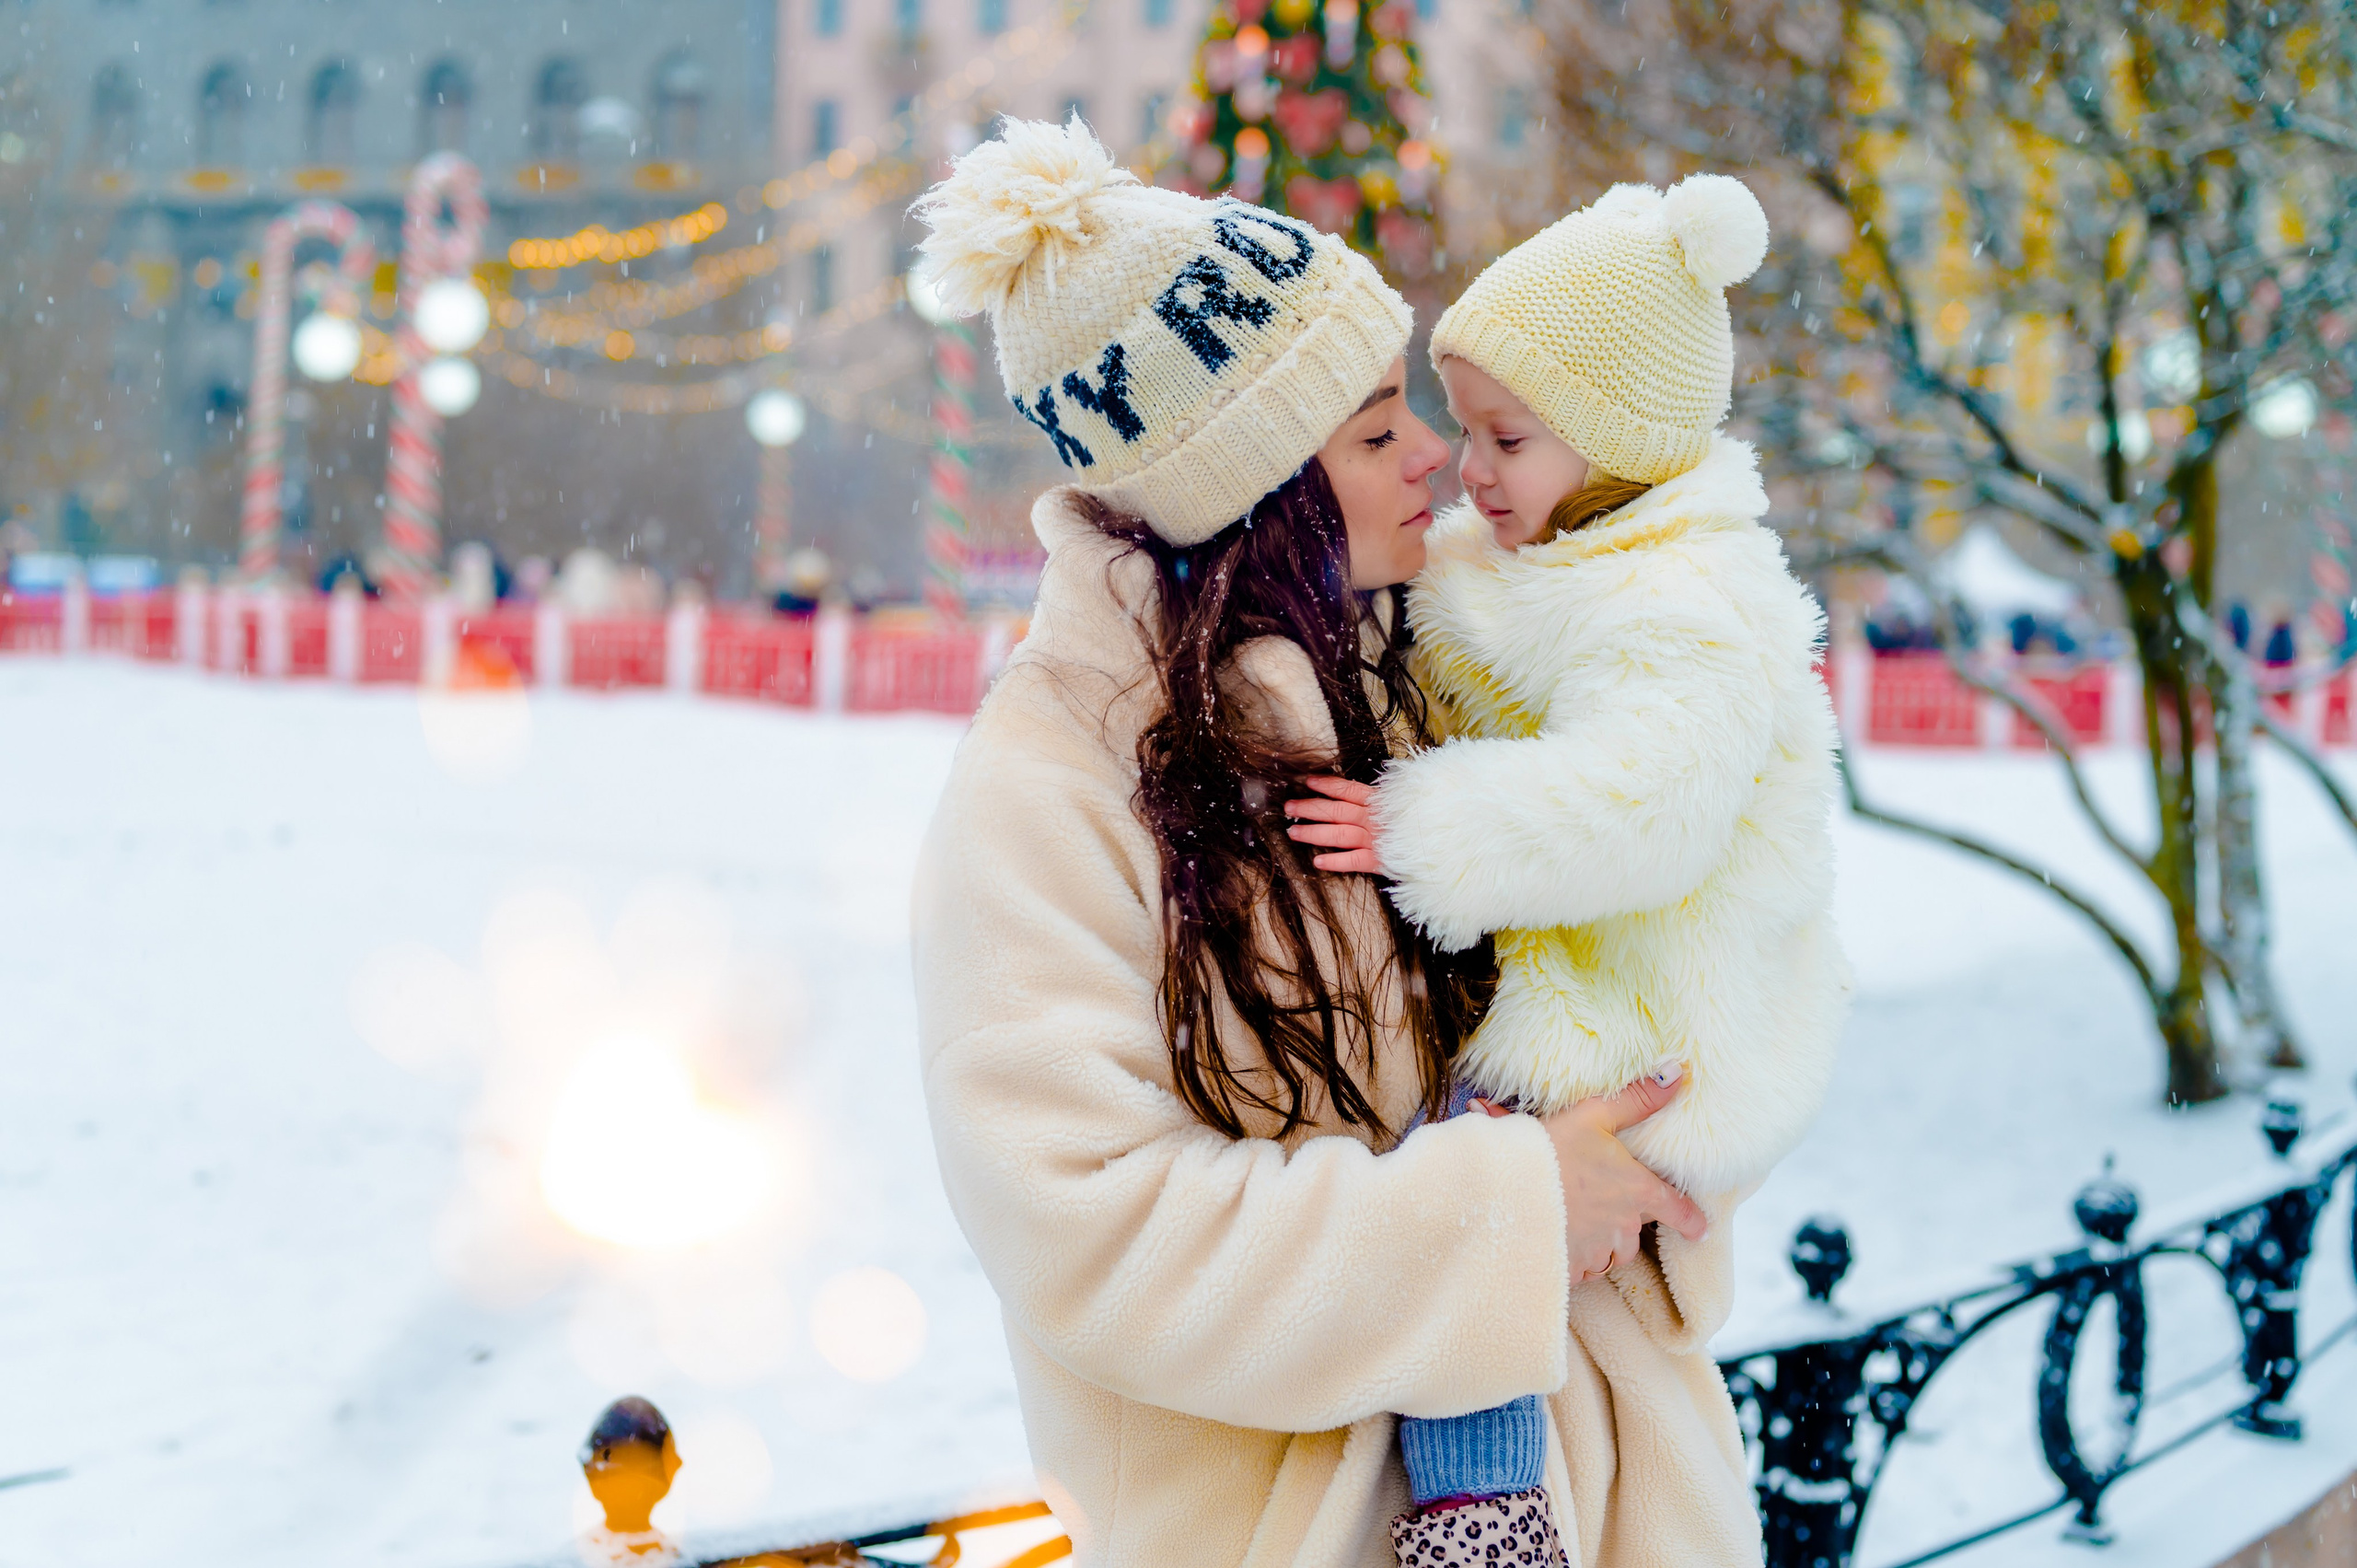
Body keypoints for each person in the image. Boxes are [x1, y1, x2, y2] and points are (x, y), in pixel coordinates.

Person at [909, 117, 1742, 1568]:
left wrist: (1650, 1154)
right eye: (1370, 432)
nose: (1430, 453)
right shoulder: (1051, 785)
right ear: (1248, 498)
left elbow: (1653, 959)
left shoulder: (1441, 665)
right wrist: (1513, 1214)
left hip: (1613, 1501)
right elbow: (1092, 1233)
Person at [1281, 177, 1851, 1551]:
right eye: (1464, 428)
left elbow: (1644, 805)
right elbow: (1457, 612)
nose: (1469, 468)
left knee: (1468, 1190)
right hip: (1606, 982)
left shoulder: (1687, 603)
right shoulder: (1575, 541)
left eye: (1506, 437)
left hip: (1654, 1030)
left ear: (1614, 440)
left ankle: (1484, 1511)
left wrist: (1419, 828)